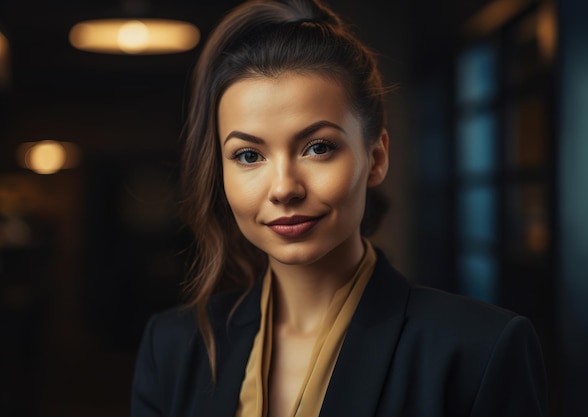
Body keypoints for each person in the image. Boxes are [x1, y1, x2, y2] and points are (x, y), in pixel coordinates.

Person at [131, 0, 547, 416]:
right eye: (248, 155)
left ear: (376, 157)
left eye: (318, 147)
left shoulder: (478, 350)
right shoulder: (173, 348)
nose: (283, 188)